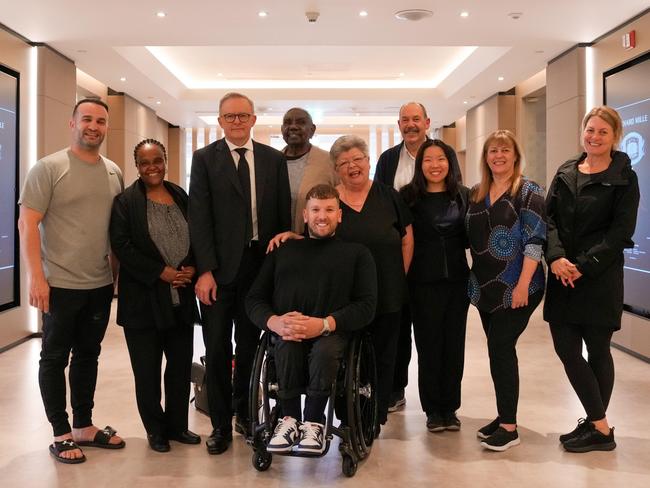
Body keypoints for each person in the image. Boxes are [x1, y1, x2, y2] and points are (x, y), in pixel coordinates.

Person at [269, 135, 413, 430]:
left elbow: (407, 239)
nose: (352, 166)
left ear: (368, 161)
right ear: (336, 168)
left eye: (358, 159)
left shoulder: (388, 196)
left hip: (386, 293)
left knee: (383, 358)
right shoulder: (329, 202)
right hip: (345, 299)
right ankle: (340, 417)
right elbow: (314, 235)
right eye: (344, 162)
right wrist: (291, 237)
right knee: (340, 355)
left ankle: (373, 417)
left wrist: (400, 276)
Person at [18, 98, 125, 464]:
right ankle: (61, 432)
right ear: (72, 123)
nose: (93, 126)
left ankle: (83, 425)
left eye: (100, 121)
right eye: (87, 119)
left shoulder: (113, 171)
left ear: (106, 127)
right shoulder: (48, 168)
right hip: (59, 284)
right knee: (53, 358)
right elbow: (27, 223)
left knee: (88, 355)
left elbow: (114, 230)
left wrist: (114, 276)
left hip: (97, 285)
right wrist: (36, 278)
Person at [189, 92, 291, 454]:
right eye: (229, 116)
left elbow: (280, 217)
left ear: (252, 120)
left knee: (250, 348)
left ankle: (246, 416)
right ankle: (219, 424)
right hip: (217, 273)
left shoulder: (272, 160)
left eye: (242, 116)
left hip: (258, 269)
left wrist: (278, 269)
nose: (236, 122)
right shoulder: (204, 159)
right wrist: (205, 271)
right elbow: (198, 219)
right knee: (216, 349)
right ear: (219, 122)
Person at [246, 184, 377, 454]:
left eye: (329, 209)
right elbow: (254, 299)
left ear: (339, 215)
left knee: (325, 350)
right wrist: (274, 322)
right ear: (305, 215)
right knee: (286, 341)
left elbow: (366, 306)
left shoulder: (357, 254)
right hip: (287, 333)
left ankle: (314, 422)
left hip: (332, 333)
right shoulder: (283, 251)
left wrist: (325, 324)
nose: (322, 216)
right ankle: (289, 420)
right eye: (316, 210)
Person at [544, 106, 639, 453]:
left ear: (614, 136)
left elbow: (620, 233)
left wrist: (583, 265)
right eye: (590, 130)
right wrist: (555, 258)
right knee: (566, 350)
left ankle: (598, 427)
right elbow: (547, 220)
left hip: (599, 277)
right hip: (562, 274)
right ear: (582, 132)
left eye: (602, 131)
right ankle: (599, 425)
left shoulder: (624, 177)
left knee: (598, 350)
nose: (594, 137)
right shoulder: (566, 170)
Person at [110, 139, 200, 453]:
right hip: (143, 303)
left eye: (157, 161)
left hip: (181, 298)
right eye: (145, 163)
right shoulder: (125, 202)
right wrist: (160, 272)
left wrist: (191, 267)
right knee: (147, 372)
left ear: (165, 161)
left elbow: (198, 234)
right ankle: (156, 429)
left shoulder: (180, 195)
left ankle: (177, 427)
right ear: (137, 166)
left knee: (178, 367)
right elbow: (122, 246)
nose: (152, 168)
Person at [465, 129, 546, 451]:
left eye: (504, 150)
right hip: (484, 287)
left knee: (501, 348)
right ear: (486, 157)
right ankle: (502, 417)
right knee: (496, 351)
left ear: (515, 155)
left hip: (518, 286)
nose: (498, 156)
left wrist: (523, 284)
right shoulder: (476, 192)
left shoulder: (528, 191)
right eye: (493, 151)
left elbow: (535, 241)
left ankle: (510, 427)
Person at [399, 139, 470, 433]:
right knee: (428, 347)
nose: (435, 165)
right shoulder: (407, 197)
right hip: (421, 282)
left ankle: (449, 408)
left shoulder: (464, 196)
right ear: (420, 165)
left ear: (450, 163)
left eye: (441, 159)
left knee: (454, 346)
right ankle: (432, 410)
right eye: (428, 160)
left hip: (457, 281)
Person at [375, 102, 431, 411]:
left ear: (427, 122)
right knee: (396, 325)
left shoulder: (439, 155)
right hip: (395, 255)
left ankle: (436, 401)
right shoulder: (387, 159)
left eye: (416, 119)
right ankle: (395, 388)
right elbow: (380, 202)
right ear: (399, 125)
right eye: (405, 120)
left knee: (428, 331)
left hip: (433, 254)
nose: (411, 124)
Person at [280, 107, 338, 233]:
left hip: (317, 243)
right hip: (275, 242)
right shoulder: (271, 161)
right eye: (288, 122)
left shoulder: (329, 162)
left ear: (312, 130)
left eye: (301, 122)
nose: (293, 127)